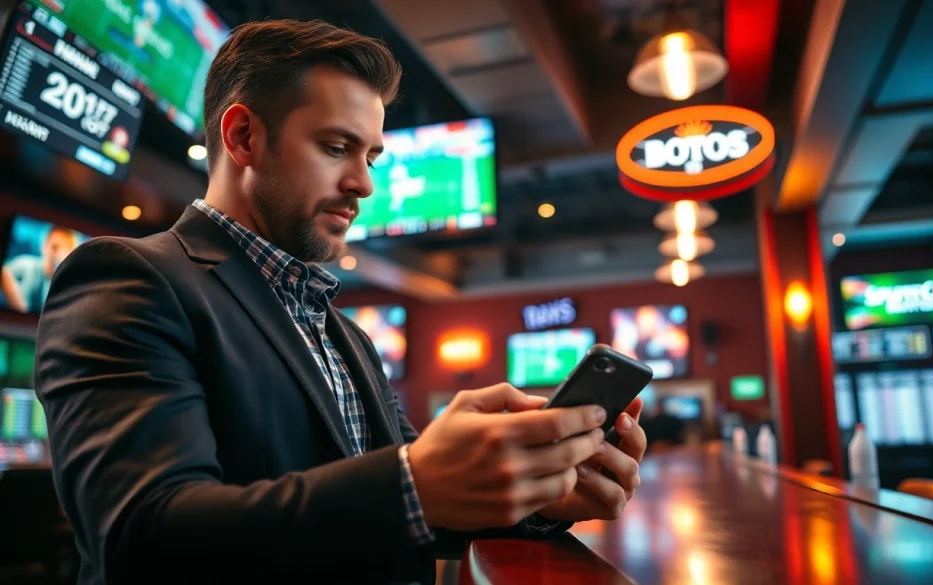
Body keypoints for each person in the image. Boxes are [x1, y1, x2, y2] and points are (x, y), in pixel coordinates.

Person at [34, 19, 647, 585]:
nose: (365, 184)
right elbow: (139, 535)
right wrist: (413, 482)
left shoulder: (346, 334)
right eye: (336, 148)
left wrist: (535, 495)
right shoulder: (127, 278)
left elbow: (416, 513)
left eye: (371, 155)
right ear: (244, 136)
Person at [0, 225, 77, 313]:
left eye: (64, 250)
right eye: (54, 247)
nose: (57, 254)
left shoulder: (68, 287)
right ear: (44, 246)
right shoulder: (25, 265)